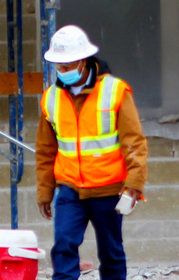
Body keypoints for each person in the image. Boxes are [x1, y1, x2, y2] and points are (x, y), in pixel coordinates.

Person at [36, 25, 148, 280]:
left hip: (108, 189)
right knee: (63, 246)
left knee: (111, 253)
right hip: (69, 188)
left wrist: (134, 184)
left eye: (68, 66)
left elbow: (134, 142)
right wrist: (45, 191)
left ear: (83, 60)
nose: (62, 72)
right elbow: (45, 150)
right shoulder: (50, 98)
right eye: (59, 67)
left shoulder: (115, 91)